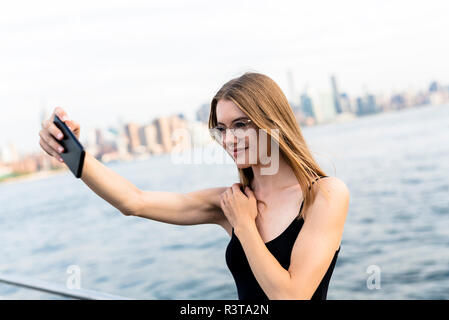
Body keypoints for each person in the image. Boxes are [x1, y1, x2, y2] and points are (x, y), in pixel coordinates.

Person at [38, 72, 349, 300]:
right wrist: (71, 149)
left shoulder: (324, 195)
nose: (229, 139)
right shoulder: (230, 201)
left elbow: (291, 297)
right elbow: (134, 201)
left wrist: (244, 224)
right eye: (221, 129)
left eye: (241, 125)